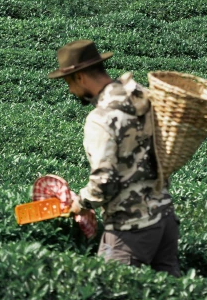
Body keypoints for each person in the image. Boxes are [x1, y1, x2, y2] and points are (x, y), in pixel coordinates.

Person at [48, 39, 181, 277]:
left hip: (130, 227)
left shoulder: (101, 119)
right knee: (171, 299)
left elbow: (104, 182)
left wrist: (81, 203)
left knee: (113, 297)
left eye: (68, 82)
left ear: (79, 77)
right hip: (165, 218)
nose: (70, 90)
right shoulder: (143, 97)